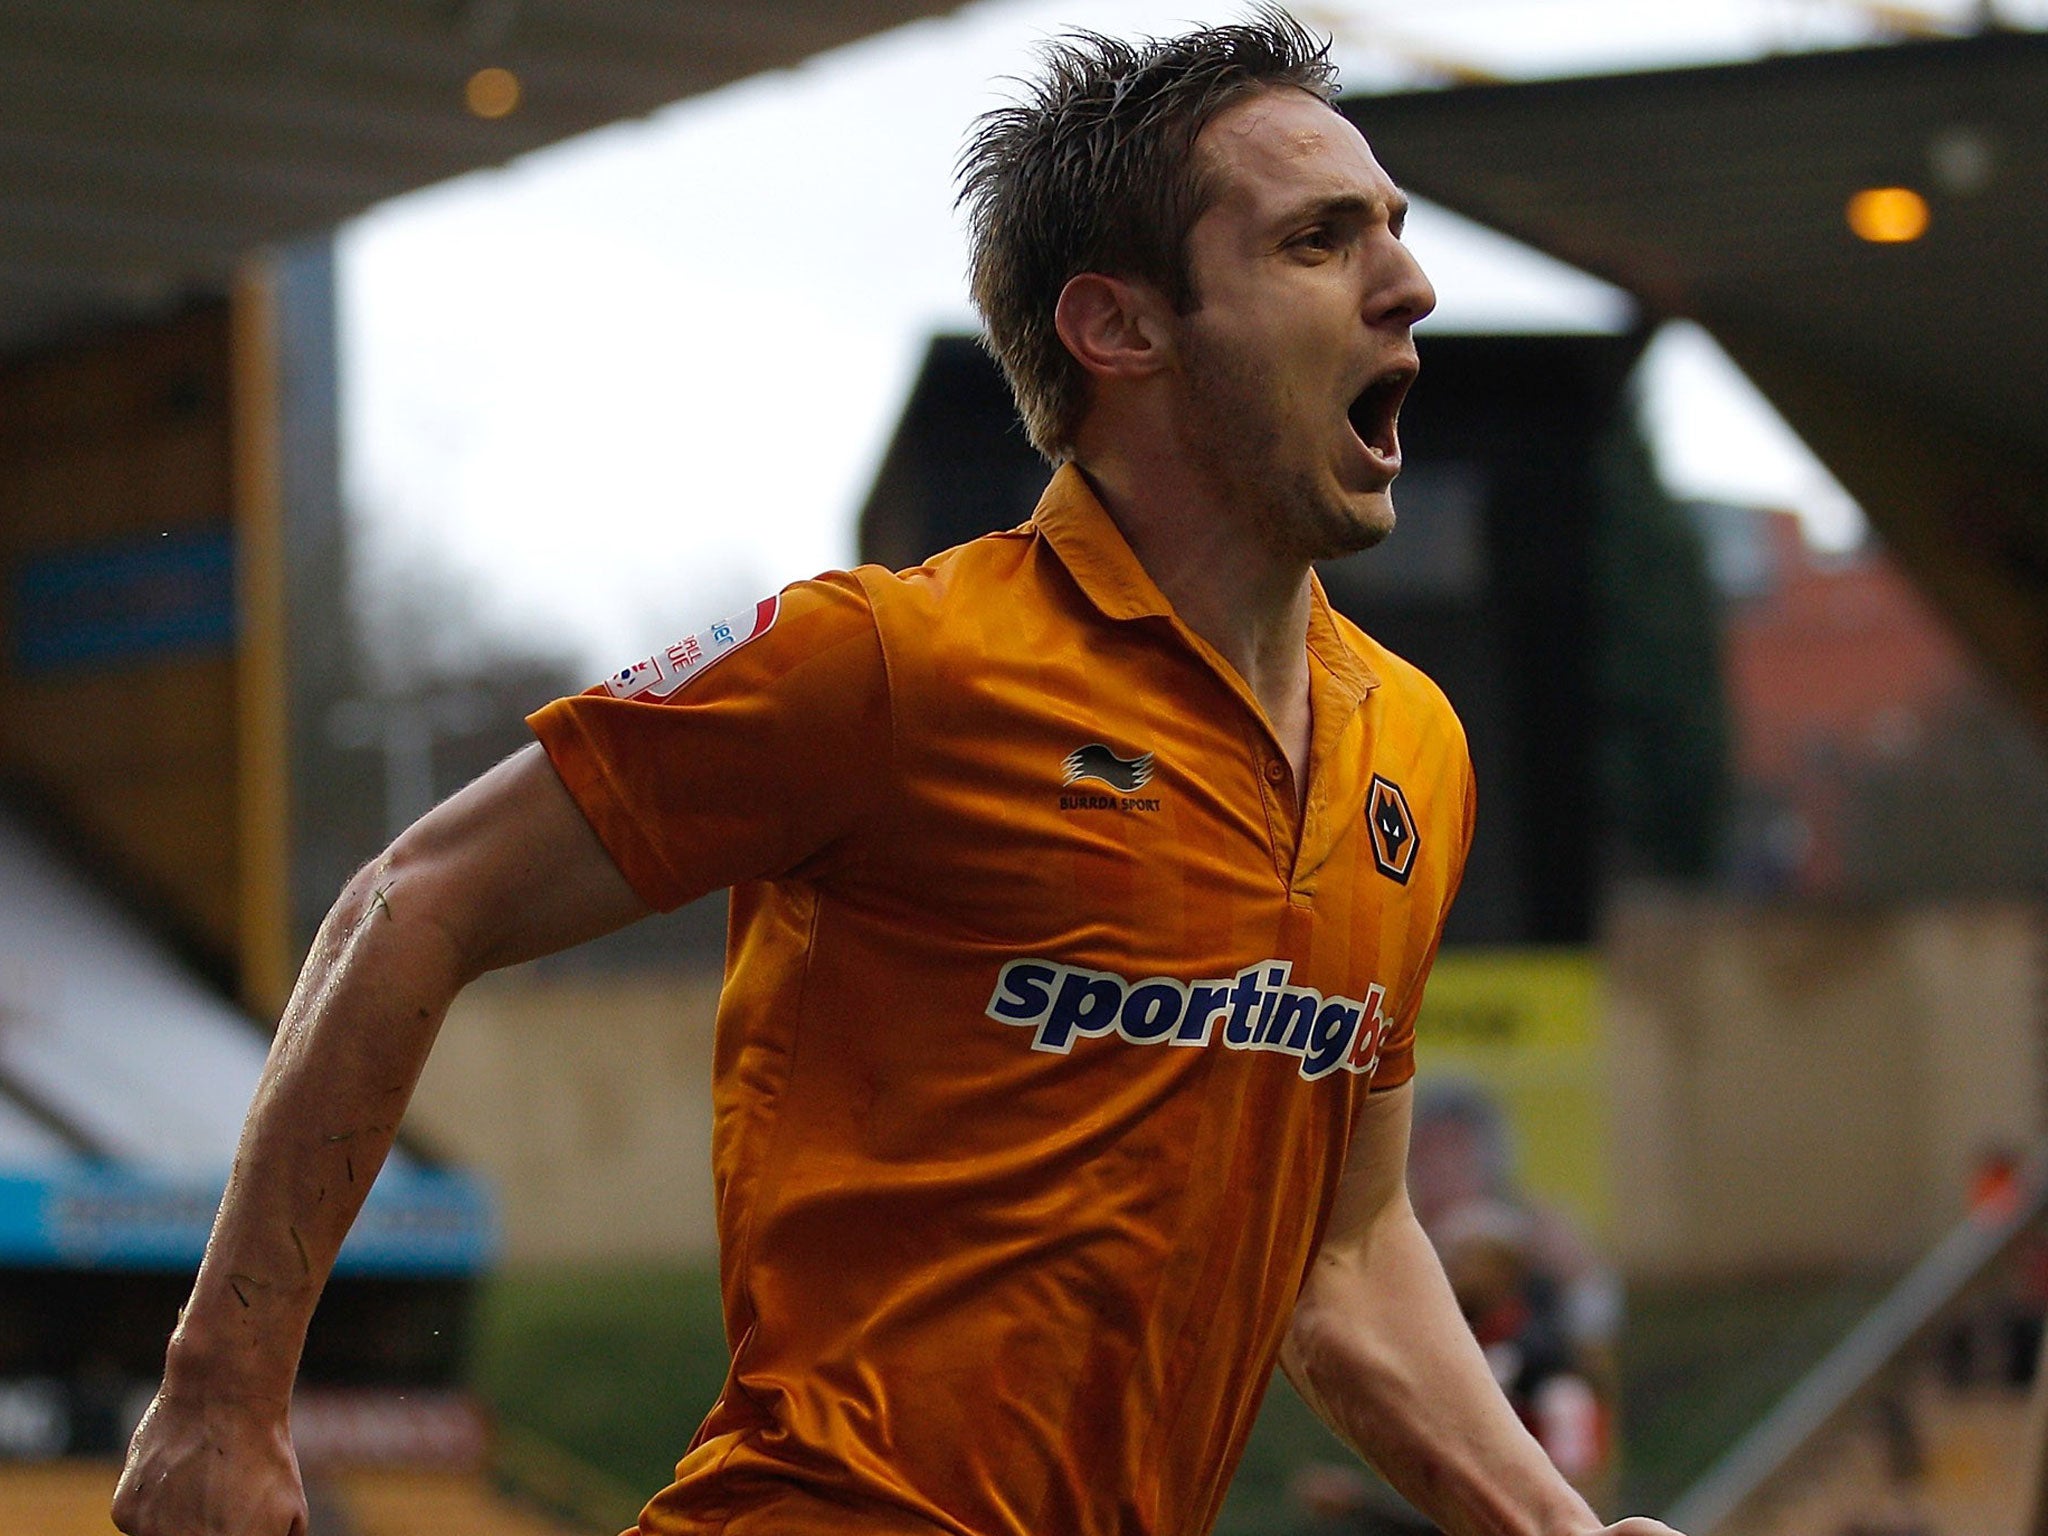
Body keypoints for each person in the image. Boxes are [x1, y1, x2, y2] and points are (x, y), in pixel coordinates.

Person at [114, 12, 1686, 1536]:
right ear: (1118, 326)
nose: (1408, 284)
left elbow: (1345, 1260)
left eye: (1393, 232)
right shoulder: (894, 665)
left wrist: (1552, 1524)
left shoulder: (1414, 748)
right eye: (1317, 241)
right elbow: (412, 901)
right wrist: (221, 1391)